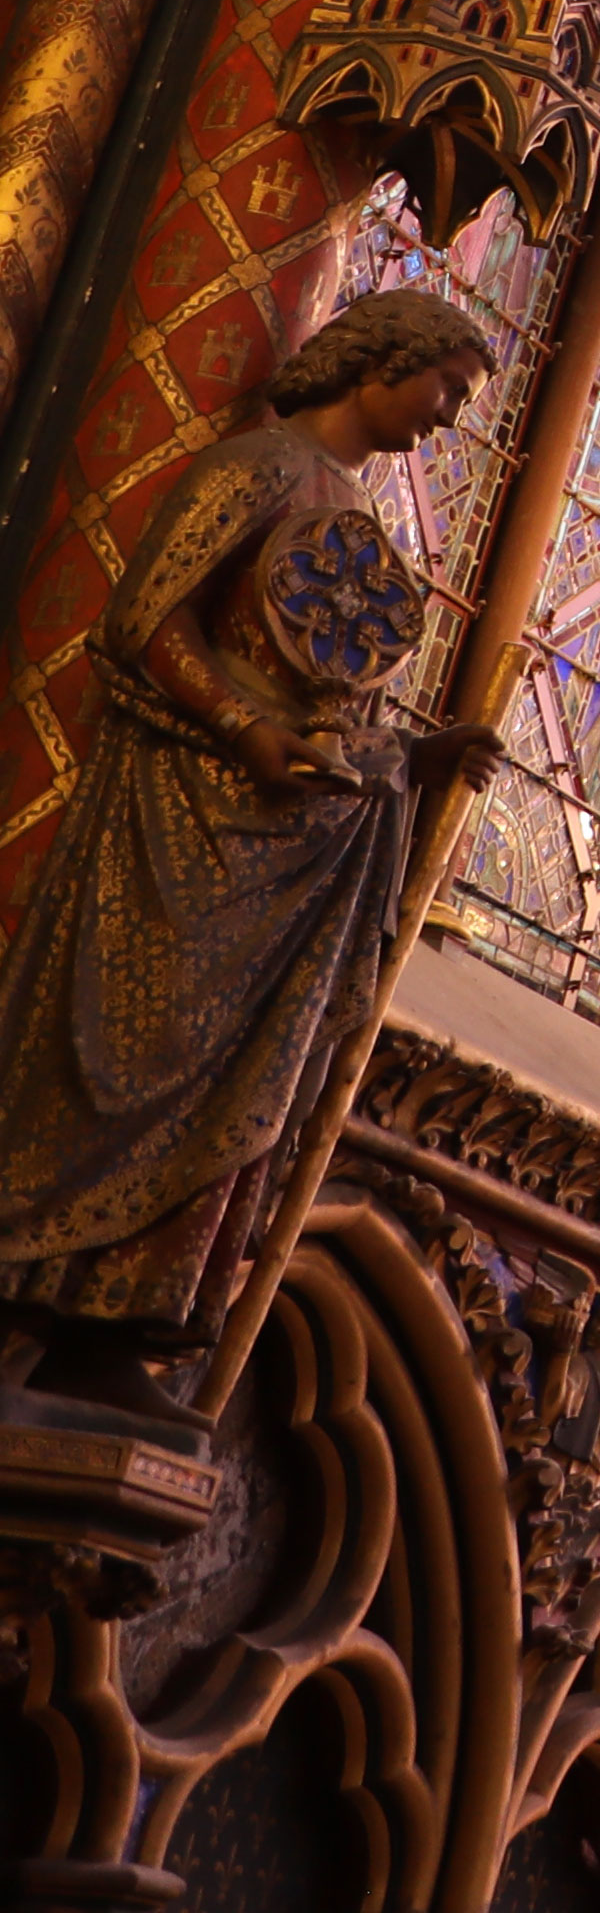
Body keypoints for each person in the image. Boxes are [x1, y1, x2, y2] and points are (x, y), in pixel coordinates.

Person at [0, 289, 495, 1417]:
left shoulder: (350, 503)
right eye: (445, 389)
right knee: (124, 1047)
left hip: (293, 851)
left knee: (241, 1086)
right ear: (385, 359)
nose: (449, 417)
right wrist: (244, 731)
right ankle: (33, 1287)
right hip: (183, 821)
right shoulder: (260, 468)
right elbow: (146, 620)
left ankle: (121, 1319)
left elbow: (320, 686)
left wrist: (413, 760)